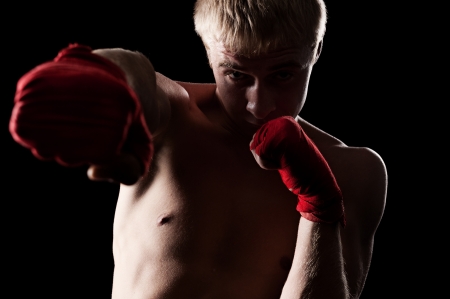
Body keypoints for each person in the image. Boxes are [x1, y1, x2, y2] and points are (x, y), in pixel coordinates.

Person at [9, 0, 387, 298]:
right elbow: (137, 73)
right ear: (209, 53)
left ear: (316, 50)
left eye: (283, 74)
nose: (259, 104)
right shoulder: (172, 118)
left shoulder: (354, 171)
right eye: (237, 75)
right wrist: (101, 78)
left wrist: (319, 206)